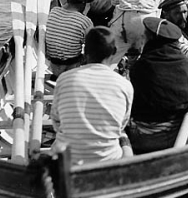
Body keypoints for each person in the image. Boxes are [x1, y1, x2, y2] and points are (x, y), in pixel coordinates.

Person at [51, 27, 134, 165]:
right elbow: (121, 125)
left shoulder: (64, 79)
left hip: (68, 160)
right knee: (124, 138)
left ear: (84, 52)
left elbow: (56, 120)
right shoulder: (125, 85)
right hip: (108, 160)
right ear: (113, 52)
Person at [126, 17, 188, 154]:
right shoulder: (187, 65)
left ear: (152, 41)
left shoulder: (140, 67)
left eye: (145, 35)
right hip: (176, 134)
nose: (142, 37)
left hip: (142, 138)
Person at [45, 0, 94, 76]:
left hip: (54, 64)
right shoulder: (85, 21)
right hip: (71, 66)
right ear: (83, 4)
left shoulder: (54, 11)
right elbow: (90, 47)